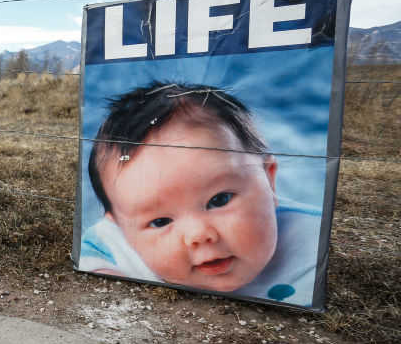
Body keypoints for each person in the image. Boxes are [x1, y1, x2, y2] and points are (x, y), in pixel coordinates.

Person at [79, 81, 320, 305]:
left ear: (269, 179)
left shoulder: (310, 236)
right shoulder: (114, 242)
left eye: (219, 200)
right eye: (160, 221)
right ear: (121, 229)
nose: (199, 234)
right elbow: (94, 256)